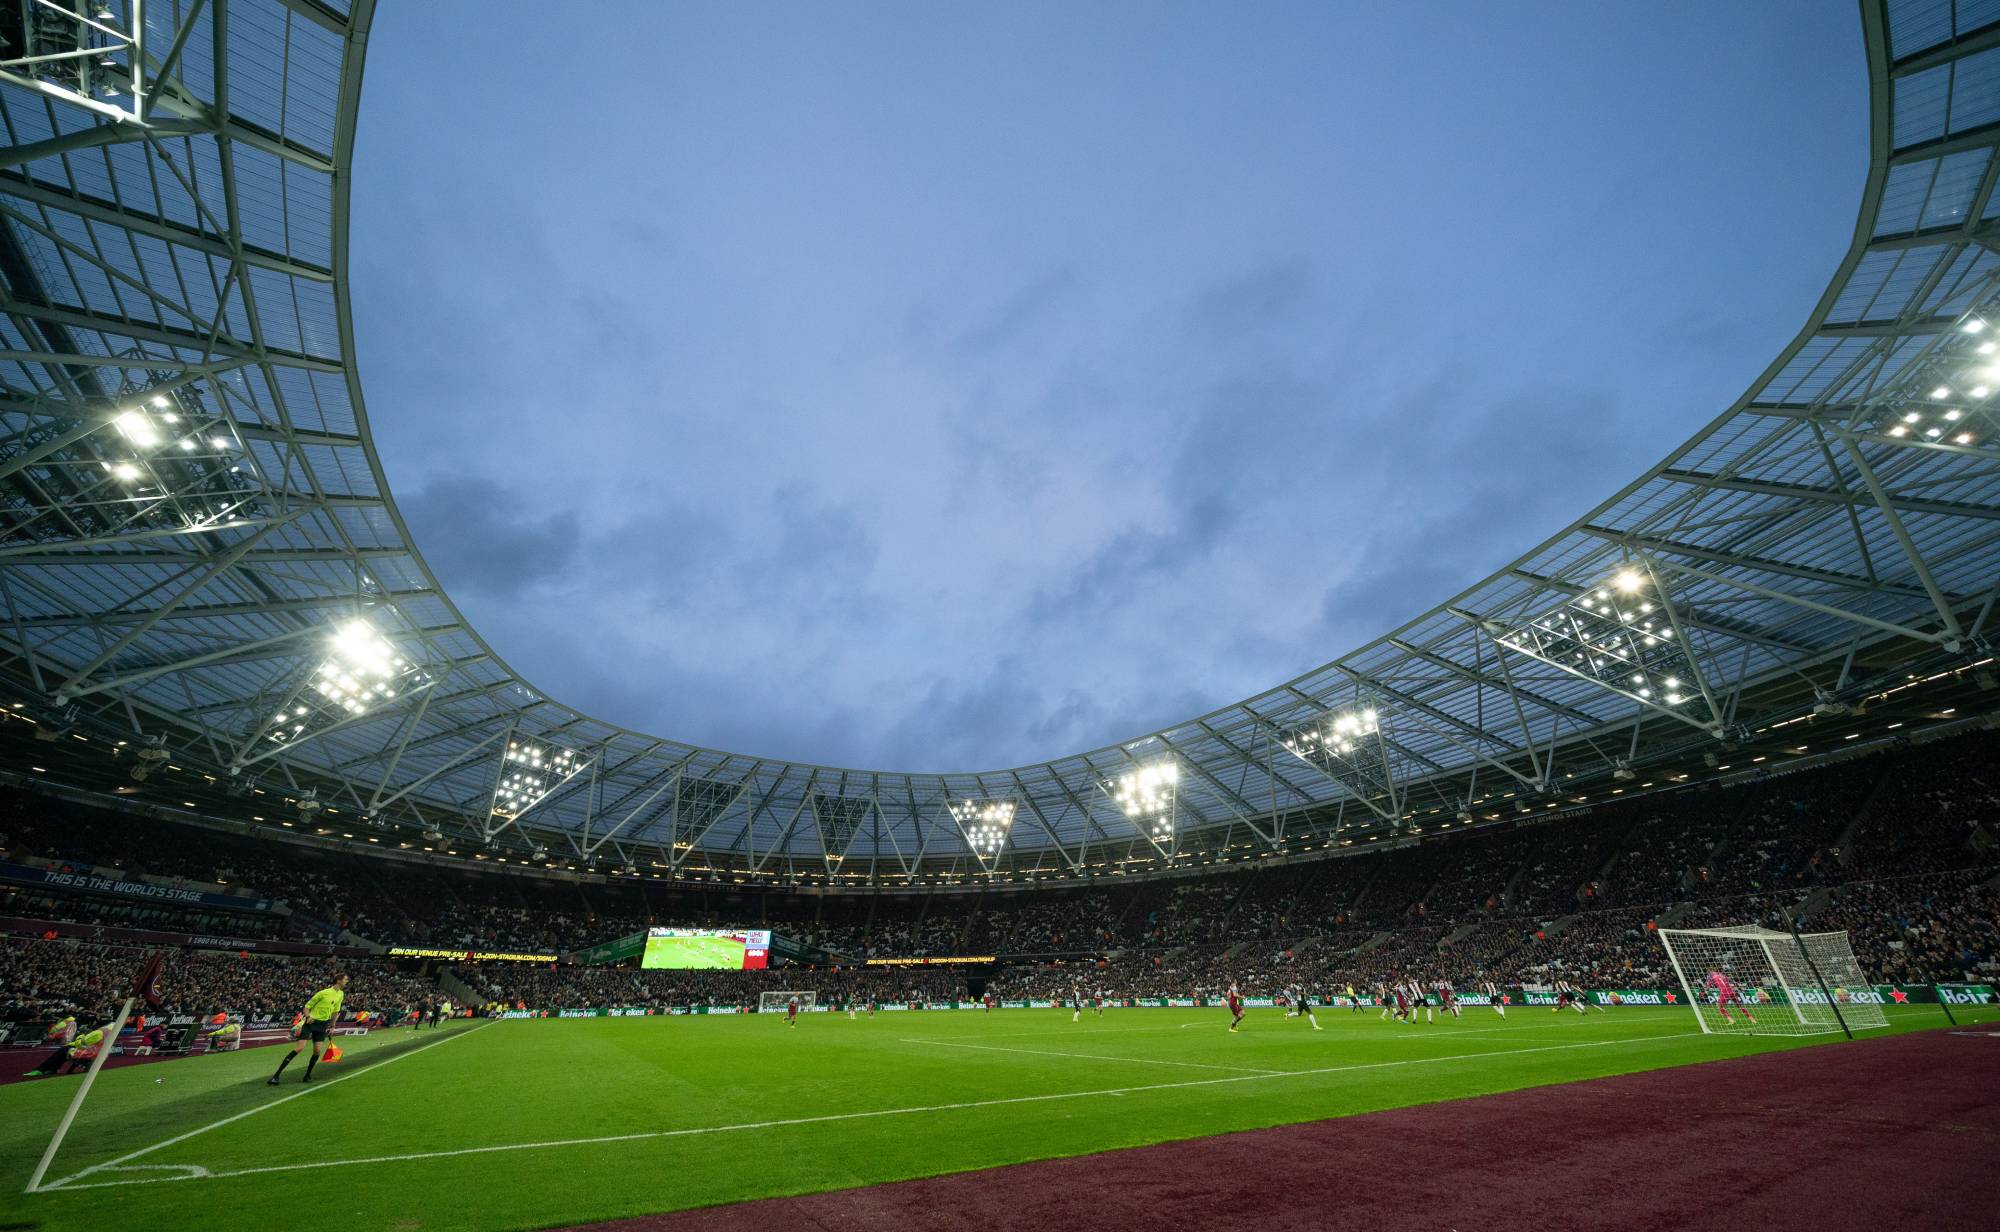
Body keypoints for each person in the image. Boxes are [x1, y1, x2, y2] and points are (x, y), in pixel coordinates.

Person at [270, 973, 347, 1085]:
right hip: (311, 1023)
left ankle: (307, 1076)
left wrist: (332, 1026)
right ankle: (276, 1076)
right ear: (338, 980)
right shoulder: (323, 993)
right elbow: (307, 1007)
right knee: (300, 1048)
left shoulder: (341, 994)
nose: (346, 982)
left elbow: (335, 1011)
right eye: (345, 980)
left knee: (317, 1051)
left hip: (323, 1025)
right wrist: (308, 1016)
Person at [27, 1016, 111, 1077]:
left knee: (63, 1050)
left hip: (88, 1053)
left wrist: (79, 1037)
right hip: (97, 1053)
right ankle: (51, 1069)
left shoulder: (98, 1033)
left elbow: (81, 1043)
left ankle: (40, 1070)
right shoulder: (107, 1032)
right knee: (63, 1051)